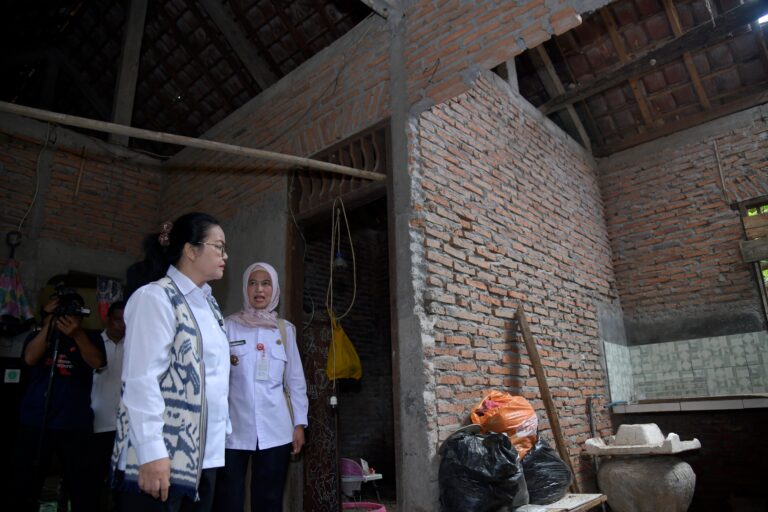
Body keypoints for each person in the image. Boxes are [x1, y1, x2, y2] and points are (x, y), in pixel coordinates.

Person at [112, 212, 230, 512]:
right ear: (191, 250)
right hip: (163, 456)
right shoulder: (155, 297)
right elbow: (141, 380)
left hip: (204, 456)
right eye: (218, 246)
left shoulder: (210, 305)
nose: (225, 255)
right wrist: (151, 452)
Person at [214, 262, 308, 512]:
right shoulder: (227, 326)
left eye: (266, 283)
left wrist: (299, 424)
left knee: (269, 499)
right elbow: (216, 378)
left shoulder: (285, 331)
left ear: (274, 289)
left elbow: (295, 381)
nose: (259, 289)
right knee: (228, 498)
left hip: (276, 429)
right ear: (245, 288)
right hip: (232, 429)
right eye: (253, 283)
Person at [10, 292, 105, 512]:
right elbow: (29, 359)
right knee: (24, 484)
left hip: (74, 423)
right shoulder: (38, 335)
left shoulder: (90, 337)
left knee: (83, 486)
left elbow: (97, 362)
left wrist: (77, 334)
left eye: (73, 310)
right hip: (36, 421)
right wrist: (50, 324)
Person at [89, 300, 126, 506]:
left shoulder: (135, 345)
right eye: (117, 320)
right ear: (107, 319)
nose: (122, 325)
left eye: (126, 321)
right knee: (93, 477)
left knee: (122, 482)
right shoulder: (92, 343)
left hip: (124, 426)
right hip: (97, 422)